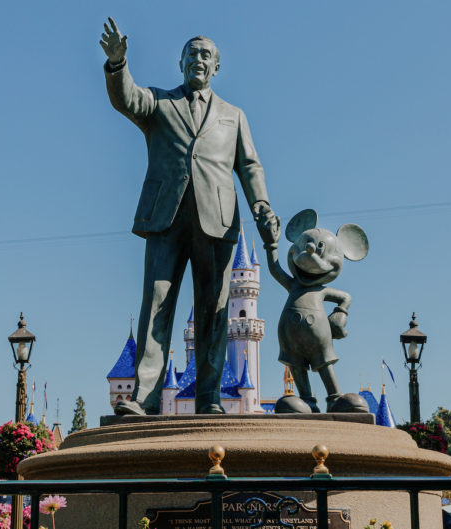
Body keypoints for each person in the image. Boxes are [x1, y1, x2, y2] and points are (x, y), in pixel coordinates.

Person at [100, 17, 278, 415]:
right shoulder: (161, 103)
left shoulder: (234, 116)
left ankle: (210, 397)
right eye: (192, 53)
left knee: (214, 310)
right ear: (181, 63)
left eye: (206, 55)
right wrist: (117, 66)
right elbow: (126, 99)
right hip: (166, 217)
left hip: (219, 219)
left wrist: (261, 206)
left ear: (216, 67)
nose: (199, 59)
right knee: (157, 305)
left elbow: (249, 166)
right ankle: (145, 396)